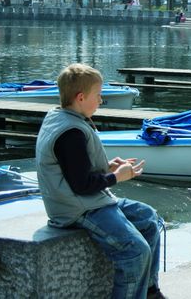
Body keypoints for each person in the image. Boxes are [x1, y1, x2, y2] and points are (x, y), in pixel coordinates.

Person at [36, 63, 166, 299]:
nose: (101, 100)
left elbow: (74, 170)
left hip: (87, 201)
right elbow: (81, 185)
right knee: (135, 252)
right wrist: (117, 176)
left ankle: (150, 291)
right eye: (98, 95)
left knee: (149, 218)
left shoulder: (62, 117)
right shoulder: (71, 133)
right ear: (81, 97)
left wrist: (105, 168)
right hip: (77, 208)